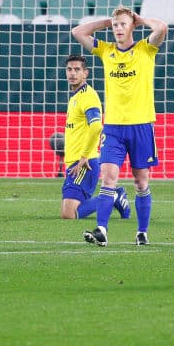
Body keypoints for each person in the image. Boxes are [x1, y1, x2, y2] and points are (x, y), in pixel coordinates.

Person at [71, 6, 167, 246]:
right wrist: (107, 22)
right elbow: (78, 32)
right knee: (109, 178)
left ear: (132, 26)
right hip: (113, 128)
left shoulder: (146, 49)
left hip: (141, 126)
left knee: (140, 182)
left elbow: (162, 28)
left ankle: (142, 232)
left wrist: (139, 20)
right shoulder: (107, 50)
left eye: (123, 24)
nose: (118, 29)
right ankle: (102, 230)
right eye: (116, 26)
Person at [59, 54, 129, 221]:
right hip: (76, 162)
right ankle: (112, 196)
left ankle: (113, 196)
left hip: (85, 163)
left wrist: (84, 156)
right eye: (69, 69)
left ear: (86, 73)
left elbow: (97, 125)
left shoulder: (88, 96)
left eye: (77, 69)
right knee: (69, 210)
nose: (72, 73)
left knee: (69, 214)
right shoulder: (76, 97)